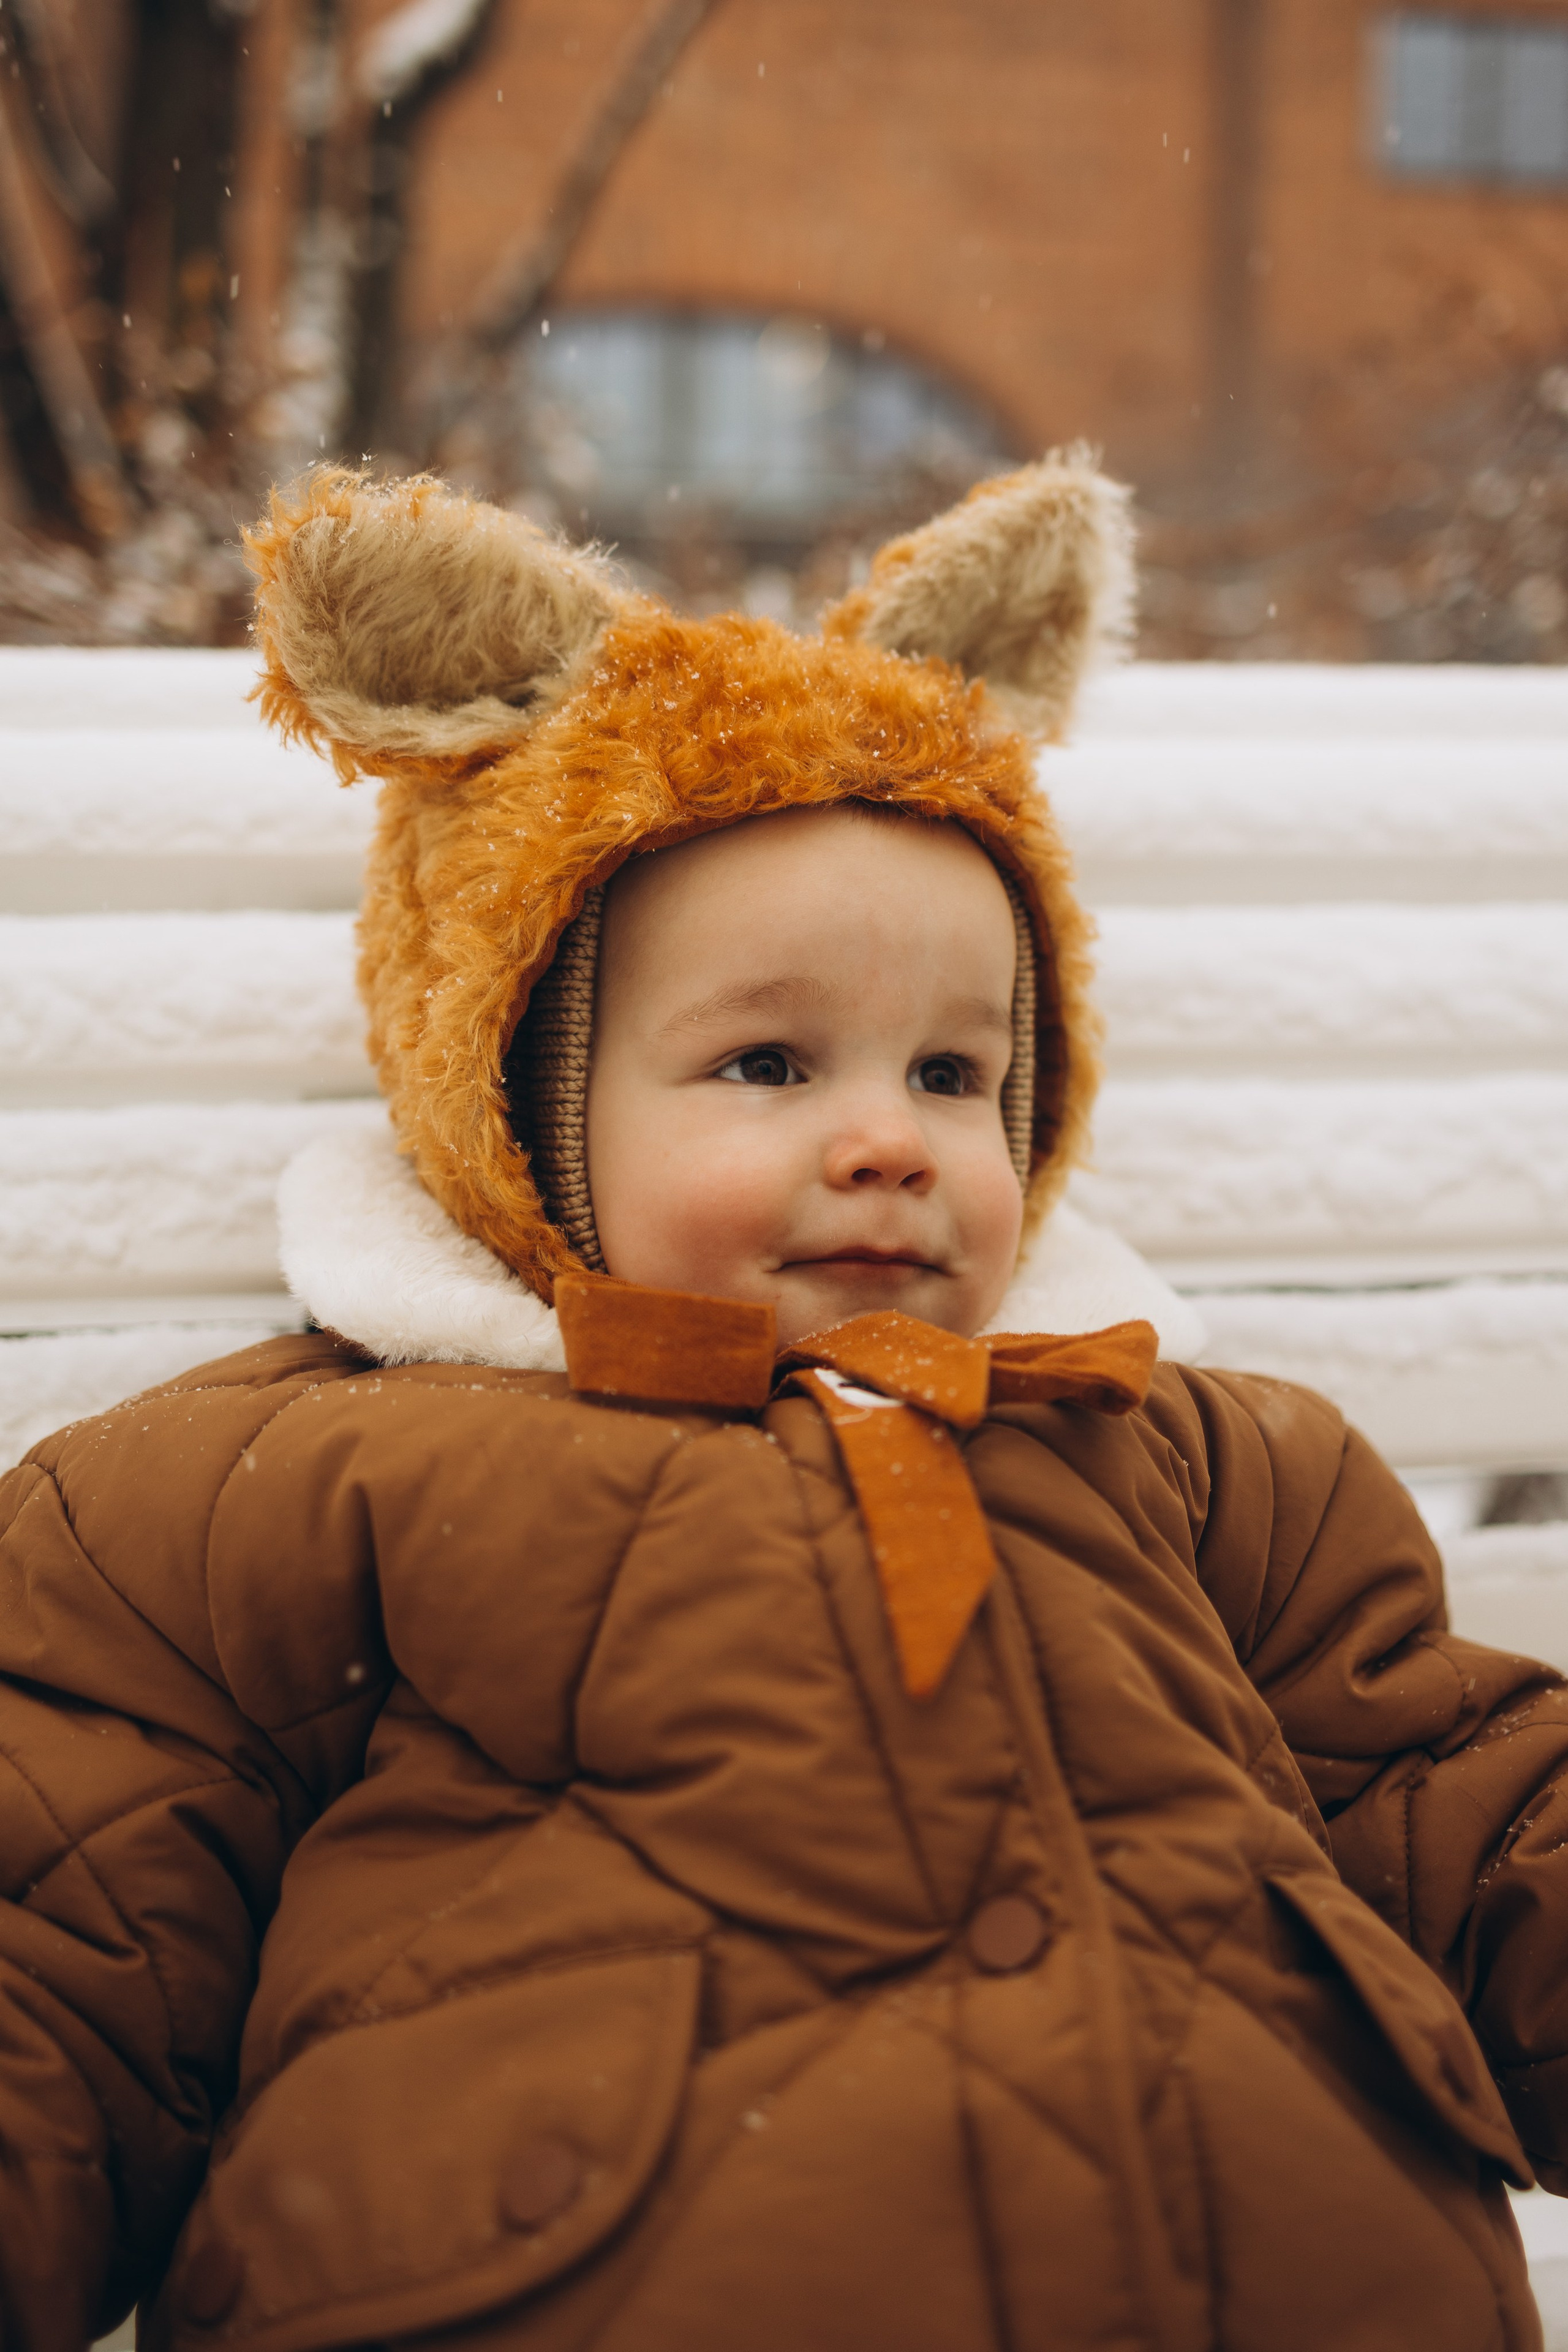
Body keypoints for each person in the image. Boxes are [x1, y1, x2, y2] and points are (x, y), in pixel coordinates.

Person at [1, 455, 1565, 2352]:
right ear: (521, 1112)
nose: (889, 1142)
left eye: (952, 1072)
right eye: (765, 1060)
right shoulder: (273, 1485)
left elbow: (1462, 1812)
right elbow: (62, 1951)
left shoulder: (1211, 1472)